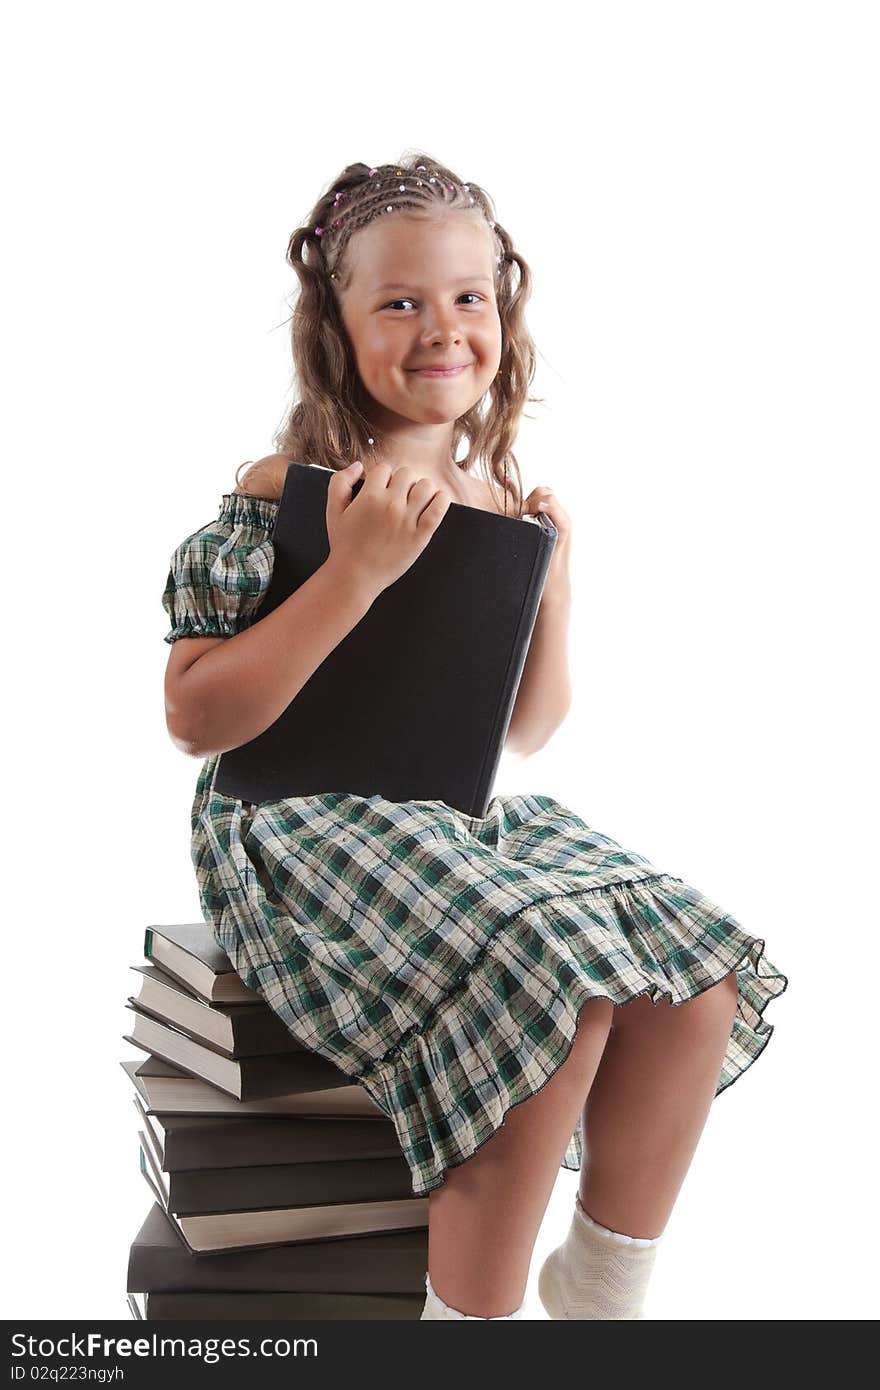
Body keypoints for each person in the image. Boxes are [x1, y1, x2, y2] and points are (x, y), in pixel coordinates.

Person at [161, 152, 789, 1321]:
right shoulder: (291, 491)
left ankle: (601, 1280)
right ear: (335, 327)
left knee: (692, 966)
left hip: (443, 817)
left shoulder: (495, 499)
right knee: (554, 972)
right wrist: (352, 572)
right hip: (292, 826)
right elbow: (198, 716)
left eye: (467, 296)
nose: (442, 327)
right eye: (398, 301)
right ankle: (471, 1325)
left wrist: (551, 589)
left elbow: (529, 731)